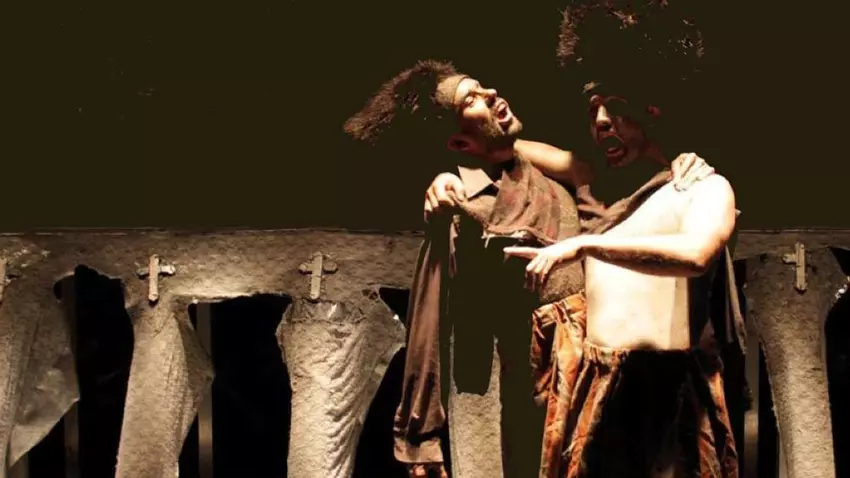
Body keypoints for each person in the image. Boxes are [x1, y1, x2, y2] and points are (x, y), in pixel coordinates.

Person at [345, 60, 713, 478]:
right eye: (472, 99)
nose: (491, 94)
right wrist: (420, 435)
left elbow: (553, 157)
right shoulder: (462, 206)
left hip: (617, 367)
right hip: (537, 385)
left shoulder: (564, 175)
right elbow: (429, 316)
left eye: (483, 86)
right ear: (458, 141)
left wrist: (684, 160)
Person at [500, 3, 741, 476]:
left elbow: (696, 254)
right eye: (592, 110)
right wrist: (448, 176)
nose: (601, 121)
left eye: (614, 107)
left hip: (668, 395)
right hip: (600, 388)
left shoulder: (702, 185)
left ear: (652, 110)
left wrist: (586, 247)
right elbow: (503, 146)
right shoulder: (594, 188)